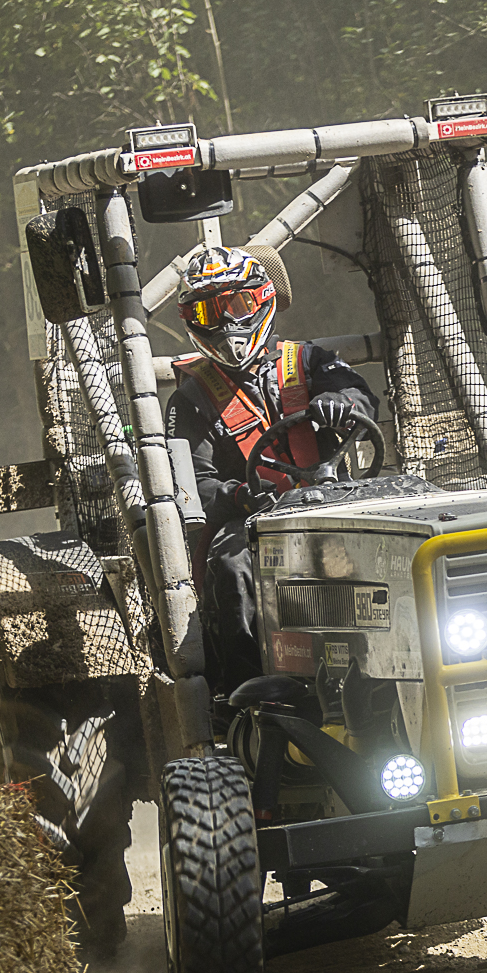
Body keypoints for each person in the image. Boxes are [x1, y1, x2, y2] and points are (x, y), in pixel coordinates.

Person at [166, 244, 379, 693]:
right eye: (208, 311)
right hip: (252, 523)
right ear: (191, 320)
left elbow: (359, 395)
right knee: (232, 567)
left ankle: (390, 671)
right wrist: (239, 495)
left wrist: (339, 403)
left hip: (333, 504)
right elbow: (193, 482)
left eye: (236, 304)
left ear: (261, 299)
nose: (226, 322)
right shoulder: (190, 398)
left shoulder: (309, 361)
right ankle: (247, 695)